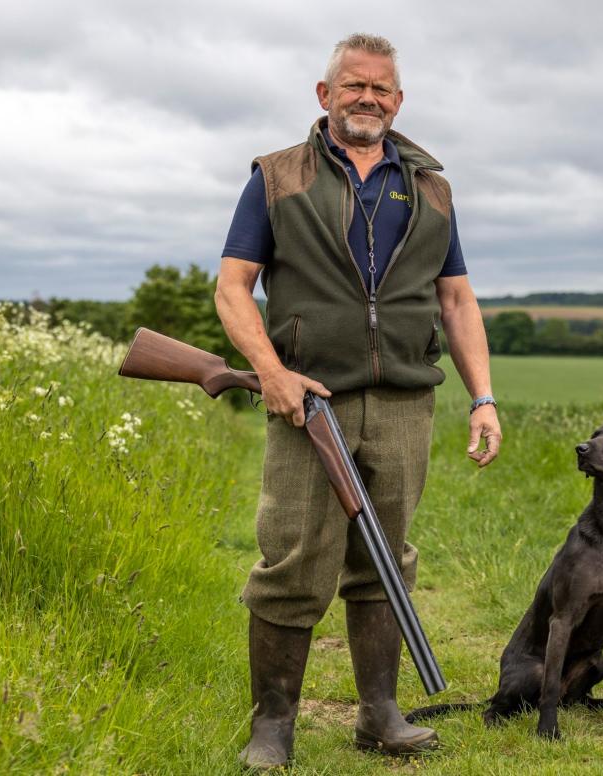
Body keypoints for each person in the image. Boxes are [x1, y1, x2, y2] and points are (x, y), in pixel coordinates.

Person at [214, 32, 501, 769]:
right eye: (353, 86)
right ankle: (272, 727)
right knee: (293, 561)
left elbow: (458, 301)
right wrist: (271, 374)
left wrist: (483, 399)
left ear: (397, 100)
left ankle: (380, 717)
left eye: (381, 88)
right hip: (309, 402)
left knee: (386, 559)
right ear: (325, 95)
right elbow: (233, 287)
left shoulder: (431, 185)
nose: (367, 98)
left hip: (406, 402)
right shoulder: (277, 178)